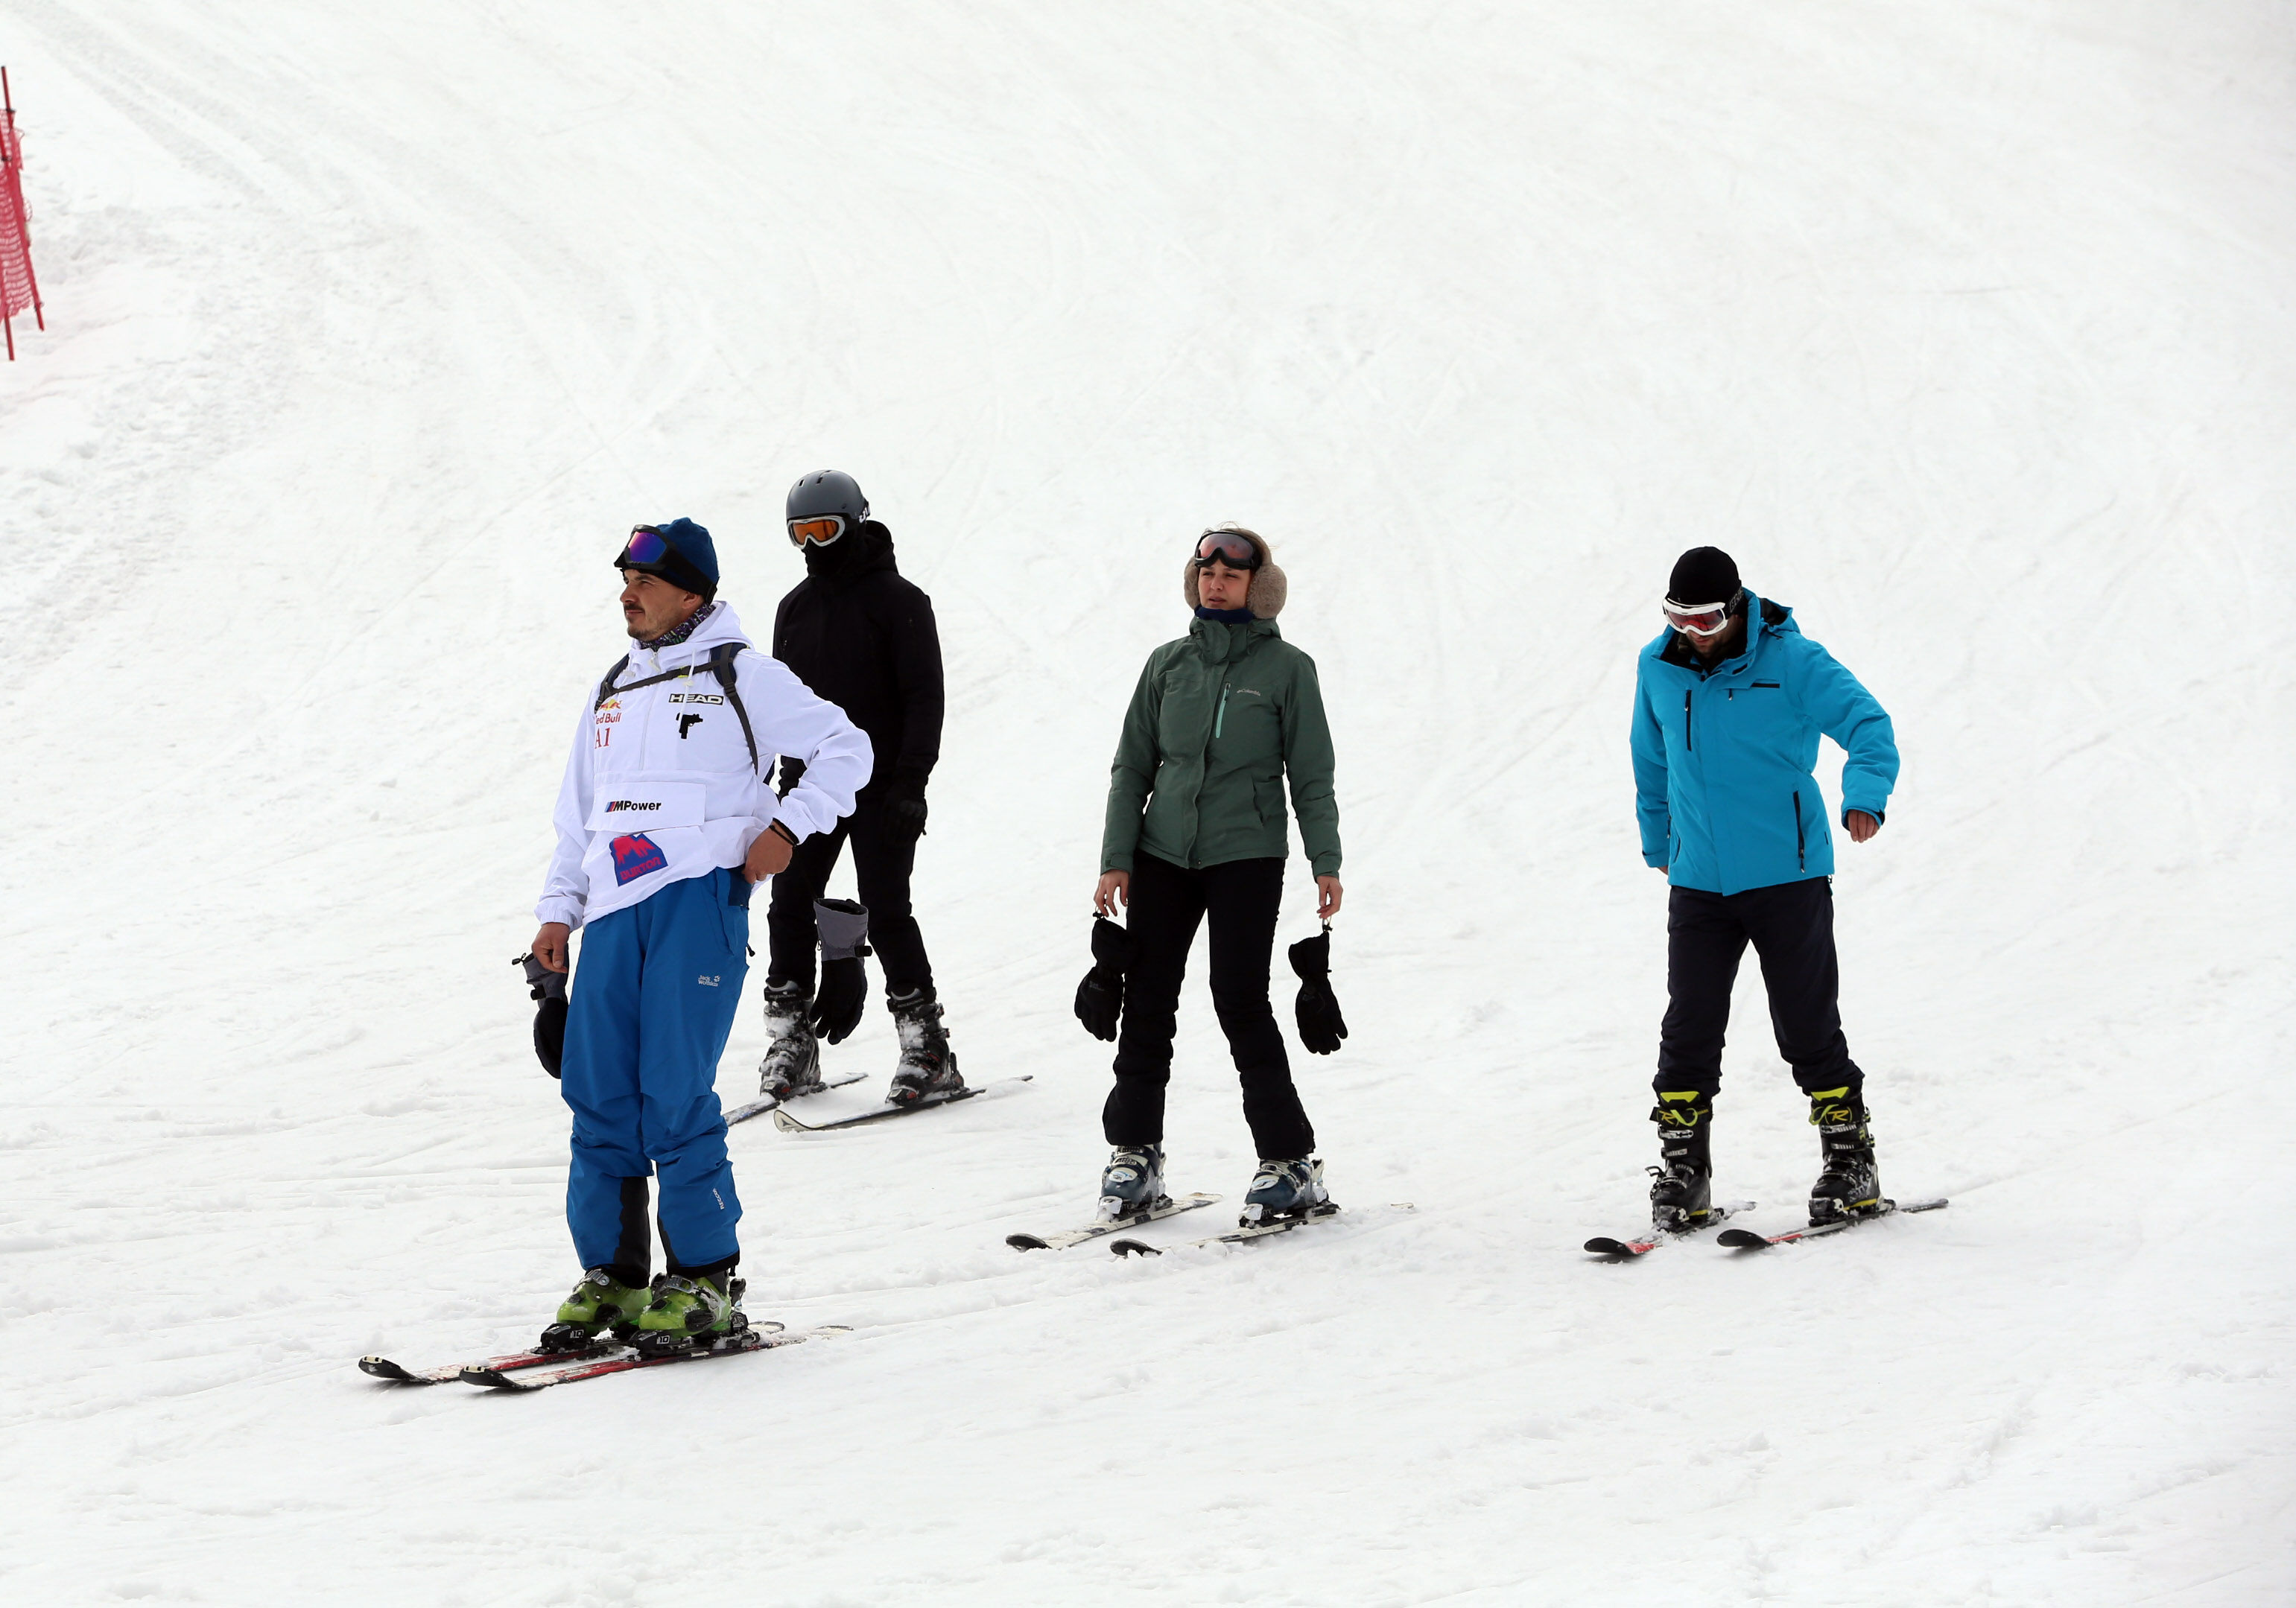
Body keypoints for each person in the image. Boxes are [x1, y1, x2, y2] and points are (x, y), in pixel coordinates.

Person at [528, 518, 872, 1356]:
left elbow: (845, 748)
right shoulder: (613, 686)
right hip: (611, 908)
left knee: (672, 1091)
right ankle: (612, 1275)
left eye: (644, 581)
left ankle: (705, 1279)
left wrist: (785, 829)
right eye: (624, 579)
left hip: (696, 899)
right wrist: (556, 907)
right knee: (598, 1090)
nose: (627, 593)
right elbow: (581, 815)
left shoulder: (739, 672)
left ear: (692, 591)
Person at [1630, 545, 1900, 1230]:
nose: (1691, 630)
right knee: (1688, 1028)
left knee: (1806, 1024)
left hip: (1788, 873)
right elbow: (1650, 759)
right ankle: (1685, 1171)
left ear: (1737, 604)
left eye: (1705, 617)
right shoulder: (1656, 668)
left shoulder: (1794, 662)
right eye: (1677, 616)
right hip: (1699, 882)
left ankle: (1851, 1160)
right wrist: (1662, 843)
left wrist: (1863, 794)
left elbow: (1869, 725)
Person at [1091, 526, 1343, 1226]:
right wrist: (1117, 855)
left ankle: (1290, 1161)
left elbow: (1311, 774)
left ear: (1257, 587)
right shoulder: (1168, 664)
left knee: (1239, 997)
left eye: (1230, 574)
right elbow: (1132, 765)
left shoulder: (1289, 670)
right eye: (1205, 571)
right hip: (1162, 853)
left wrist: (1326, 860)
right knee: (1146, 1001)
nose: (1214, 581)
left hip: (1247, 854)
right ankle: (1135, 1155)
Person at [755, 471, 960, 1108]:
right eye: (801, 534)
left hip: (883, 788)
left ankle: (927, 1046)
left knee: (886, 904)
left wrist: (911, 785)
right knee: (790, 898)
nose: (815, 545)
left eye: (826, 530)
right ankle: (792, 1038)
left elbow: (925, 697)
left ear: (855, 522)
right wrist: (779, 790)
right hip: (812, 784)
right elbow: (779, 708)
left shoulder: (900, 599)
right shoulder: (794, 608)